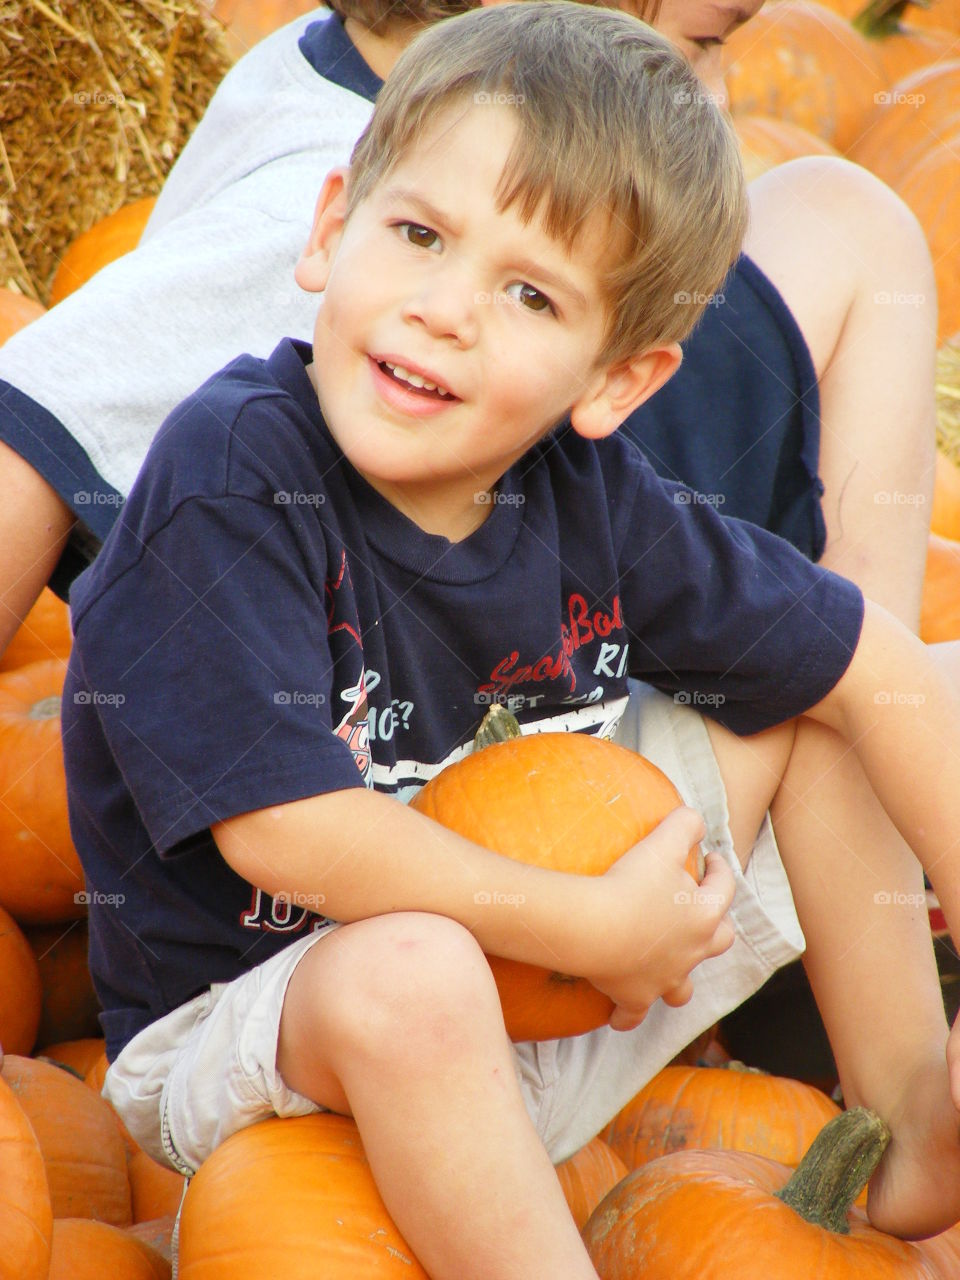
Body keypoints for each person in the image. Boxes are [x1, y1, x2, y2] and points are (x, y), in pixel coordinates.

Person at [62, 11, 960, 1278]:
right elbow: (286, 833)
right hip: (259, 1051)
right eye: (420, 236)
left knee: (817, 685)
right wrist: (588, 925)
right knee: (413, 969)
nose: (444, 310)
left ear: (614, 383)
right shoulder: (234, 475)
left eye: (529, 293)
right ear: (329, 231)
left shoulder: (591, 491)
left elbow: (869, 660)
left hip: (546, 996)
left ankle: (914, 1119)